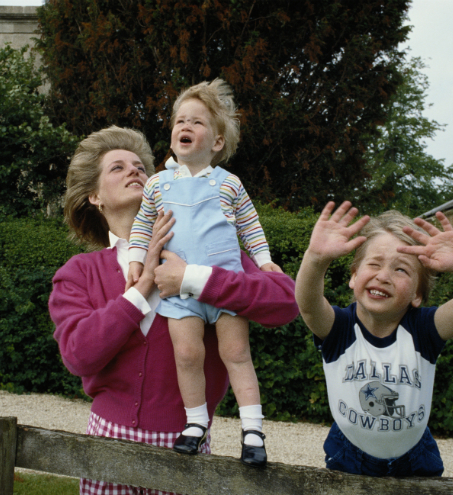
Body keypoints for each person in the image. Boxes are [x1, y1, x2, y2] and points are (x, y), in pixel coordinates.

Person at [49, 125, 298, 494]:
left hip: (187, 452)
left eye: (140, 166)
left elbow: (285, 302)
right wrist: (145, 283)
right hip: (106, 445)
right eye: (117, 168)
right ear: (95, 197)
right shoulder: (79, 272)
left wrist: (194, 279)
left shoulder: (215, 254)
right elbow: (79, 356)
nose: (134, 170)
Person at [126, 79, 280, 466]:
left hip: (226, 288)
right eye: (180, 121)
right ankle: (195, 424)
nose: (185, 127)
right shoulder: (158, 184)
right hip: (179, 294)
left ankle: (252, 429)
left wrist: (263, 262)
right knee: (188, 355)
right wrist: (136, 261)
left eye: (196, 122)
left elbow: (250, 226)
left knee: (236, 354)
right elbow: (143, 226)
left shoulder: (229, 184)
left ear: (216, 143)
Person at [295, 201, 453, 477]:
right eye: (374, 264)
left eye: (401, 270)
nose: (383, 276)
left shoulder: (423, 330)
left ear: (417, 295)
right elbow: (308, 304)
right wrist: (315, 259)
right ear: (353, 277)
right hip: (349, 452)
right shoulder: (340, 328)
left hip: (415, 455)